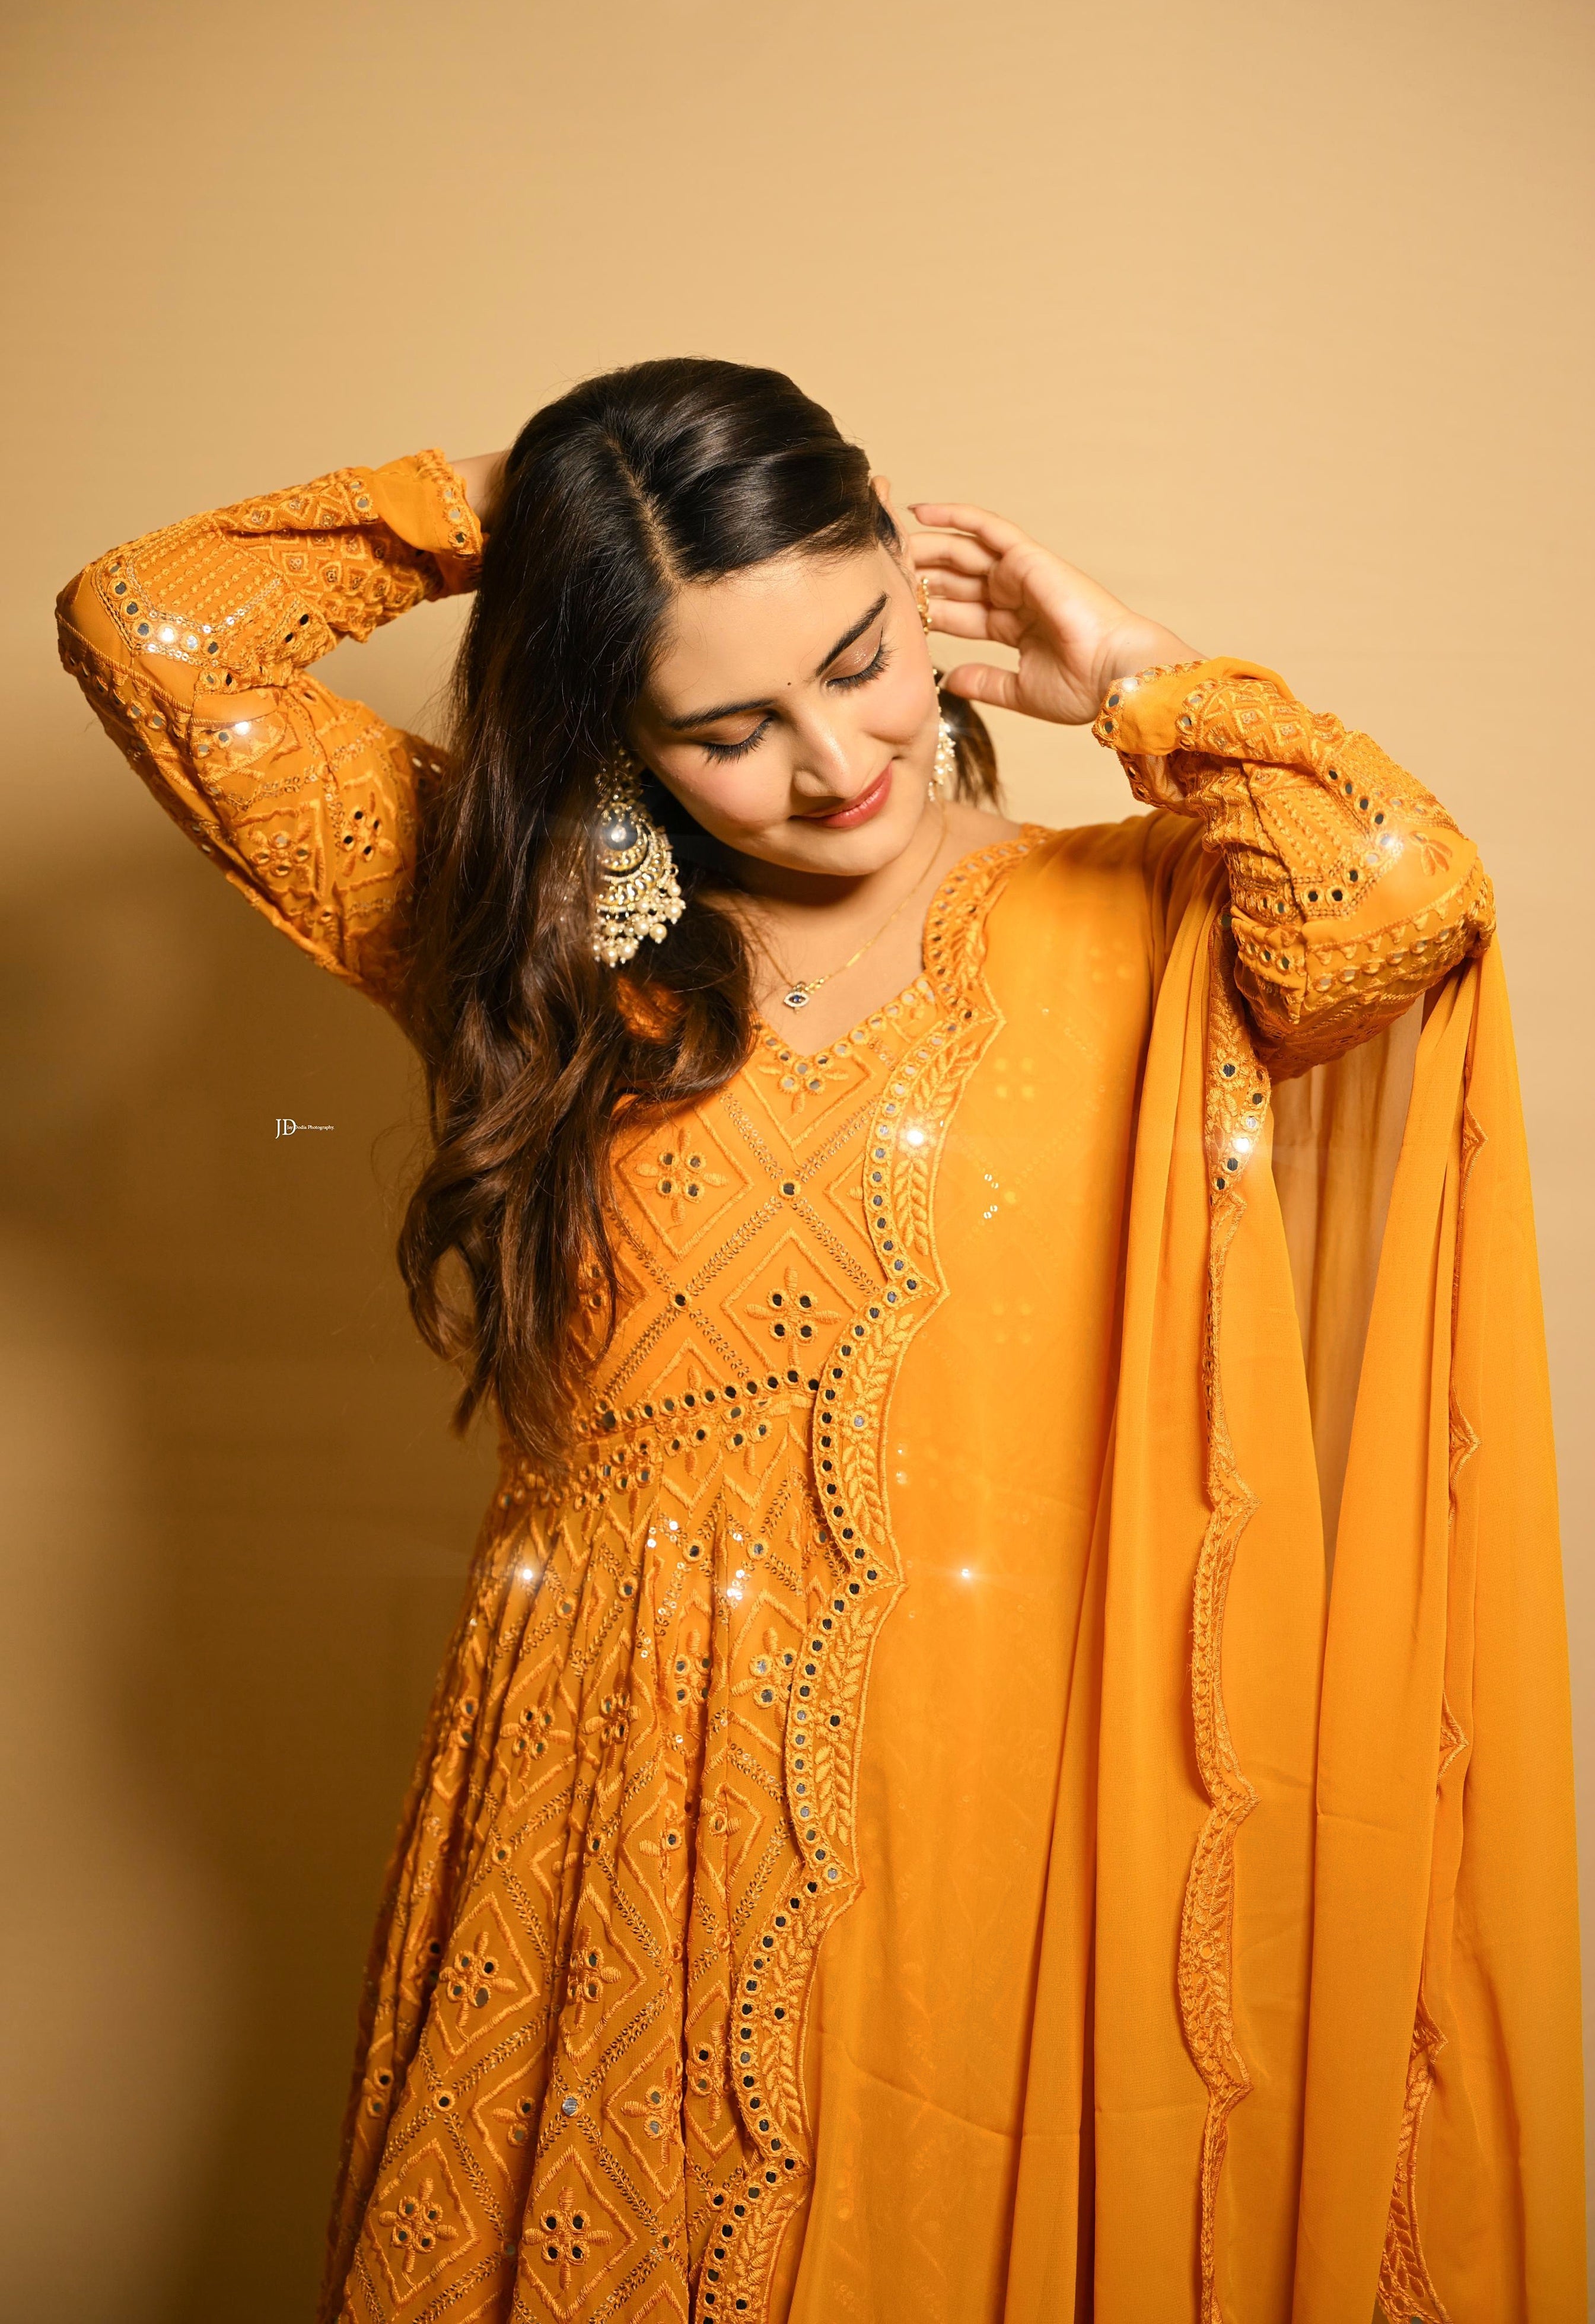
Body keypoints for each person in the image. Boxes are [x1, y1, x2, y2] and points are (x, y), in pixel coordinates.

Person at [56, 359, 1583, 2323]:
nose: (833, 759)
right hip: (591, 1831)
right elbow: (149, 628)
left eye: (859, 658)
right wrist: (527, 497)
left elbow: (1394, 903)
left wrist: (1138, 679)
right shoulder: (541, 950)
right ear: (617, 733)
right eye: (724, 726)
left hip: (990, 1835)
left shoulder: (1137, 920)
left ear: (908, 567)